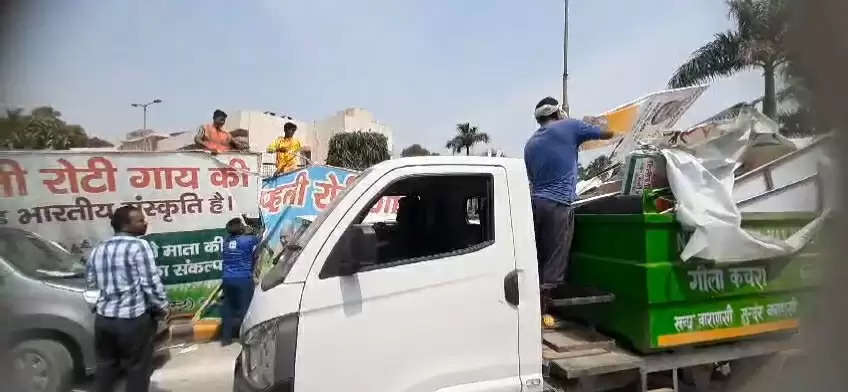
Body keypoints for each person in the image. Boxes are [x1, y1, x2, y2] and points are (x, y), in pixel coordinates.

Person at [524, 97, 614, 288]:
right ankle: (546, 310)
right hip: (558, 205)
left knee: (539, 257)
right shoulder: (569, 126)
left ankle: (533, 301)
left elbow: (532, 178)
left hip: (535, 205)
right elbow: (607, 133)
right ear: (557, 112)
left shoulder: (530, 144)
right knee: (555, 262)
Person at [86, 206, 168, 392]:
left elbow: (90, 285)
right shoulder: (139, 246)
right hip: (132, 321)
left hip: (103, 321)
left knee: (106, 369)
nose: (145, 223)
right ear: (126, 225)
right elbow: (150, 283)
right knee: (137, 370)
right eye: (140, 220)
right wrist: (163, 307)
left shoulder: (99, 248)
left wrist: (96, 307)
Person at [220, 217, 260, 346]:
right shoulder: (248, 241)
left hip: (227, 279)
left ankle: (226, 339)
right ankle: (246, 338)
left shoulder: (226, 242)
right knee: (245, 309)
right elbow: (261, 239)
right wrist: (253, 229)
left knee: (228, 309)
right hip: (243, 279)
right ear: (241, 228)